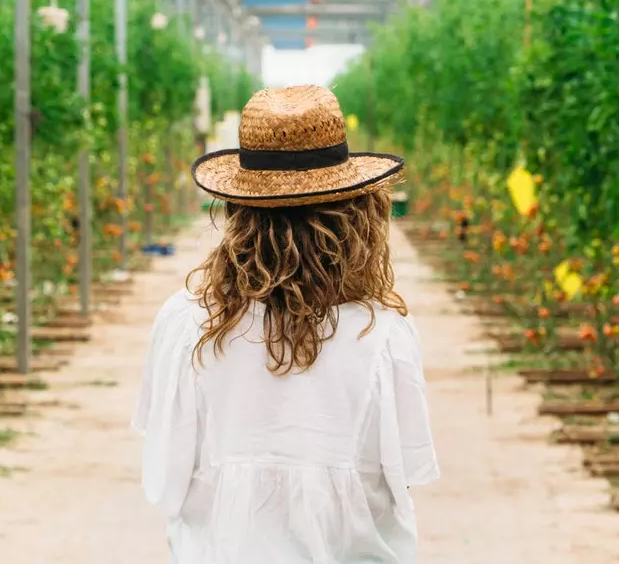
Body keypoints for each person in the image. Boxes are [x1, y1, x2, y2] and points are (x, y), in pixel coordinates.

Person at [133, 85, 438, 564]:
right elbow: (401, 474)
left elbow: (165, 479)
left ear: (237, 211)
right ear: (357, 213)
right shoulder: (381, 333)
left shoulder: (185, 323)